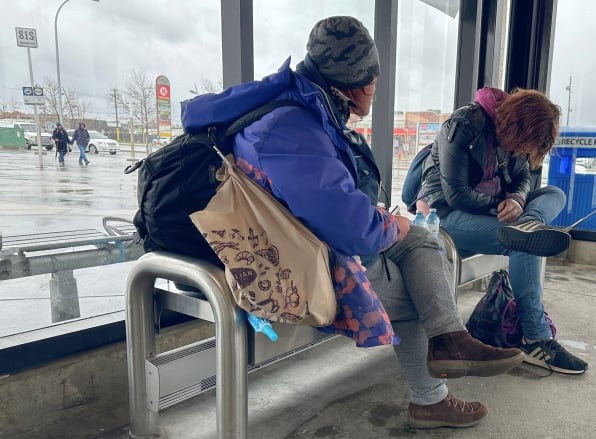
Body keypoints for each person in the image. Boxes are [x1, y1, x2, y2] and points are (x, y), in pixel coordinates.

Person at [181, 16, 524, 429]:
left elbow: (326, 203)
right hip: (280, 261)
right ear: (359, 83)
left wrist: (387, 225)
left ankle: (448, 344)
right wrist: (385, 226)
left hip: (289, 235)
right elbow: (350, 229)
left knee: (420, 244)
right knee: (421, 286)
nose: (375, 93)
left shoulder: (292, 105)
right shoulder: (292, 129)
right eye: (376, 84)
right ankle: (435, 385)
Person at [415, 86, 589, 375]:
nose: (522, 152)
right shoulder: (462, 126)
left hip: (500, 213)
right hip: (446, 214)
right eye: (523, 145)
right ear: (514, 125)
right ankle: (536, 338)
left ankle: (528, 223)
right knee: (524, 243)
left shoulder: (514, 138)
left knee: (555, 193)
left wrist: (519, 200)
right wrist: (502, 204)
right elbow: (456, 194)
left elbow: (523, 177)